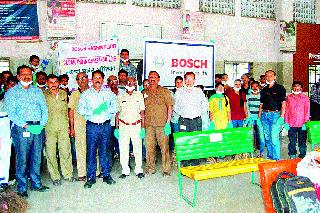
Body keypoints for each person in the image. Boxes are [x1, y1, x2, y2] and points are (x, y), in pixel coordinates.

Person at [4, 65, 49, 197]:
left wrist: (41, 124)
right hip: (21, 129)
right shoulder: (11, 93)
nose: (26, 76)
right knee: (22, 158)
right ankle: (22, 188)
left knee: (37, 157)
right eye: (23, 74)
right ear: (18, 76)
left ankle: (36, 184)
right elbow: (12, 113)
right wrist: (25, 126)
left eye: (29, 74)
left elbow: (44, 109)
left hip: (38, 128)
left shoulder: (37, 91)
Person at [78, 70, 118, 188]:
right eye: (95, 78)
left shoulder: (109, 93)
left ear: (103, 79)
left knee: (105, 151)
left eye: (99, 77)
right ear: (92, 79)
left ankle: (106, 175)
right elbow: (81, 110)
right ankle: (90, 178)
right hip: (92, 127)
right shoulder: (86, 94)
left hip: (105, 126)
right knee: (91, 152)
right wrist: (94, 111)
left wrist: (103, 109)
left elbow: (115, 107)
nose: (97, 80)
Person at [44, 74, 74, 186]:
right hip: (49, 128)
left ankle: (68, 174)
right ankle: (55, 176)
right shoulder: (43, 95)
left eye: (55, 82)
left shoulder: (63, 93)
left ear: (58, 82)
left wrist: (69, 127)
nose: (53, 84)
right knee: (51, 153)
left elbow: (67, 110)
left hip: (63, 127)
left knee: (66, 151)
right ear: (47, 83)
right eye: (50, 82)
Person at [174, 72, 208, 165]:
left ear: (194, 81)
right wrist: (183, 114)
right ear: (184, 80)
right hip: (184, 120)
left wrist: (197, 113)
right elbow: (175, 106)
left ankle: (195, 162)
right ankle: (184, 163)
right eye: (187, 79)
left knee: (195, 140)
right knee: (184, 141)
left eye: (190, 79)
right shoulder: (179, 92)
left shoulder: (199, 91)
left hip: (196, 120)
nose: (188, 81)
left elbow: (205, 105)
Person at [115, 77, 145, 179]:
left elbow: (142, 112)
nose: (130, 83)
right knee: (123, 148)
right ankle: (125, 170)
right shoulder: (120, 96)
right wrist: (116, 128)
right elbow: (117, 113)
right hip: (123, 126)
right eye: (128, 82)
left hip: (136, 125)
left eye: (132, 82)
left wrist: (143, 128)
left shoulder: (139, 95)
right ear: (125, 83)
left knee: (137, 148)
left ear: (135, 83)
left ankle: (139, 170)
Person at [144, 71, 173, 176]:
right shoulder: (144, 92)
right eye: (150, 77)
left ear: (158, 79)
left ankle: (166, 170)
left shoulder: (164, 91)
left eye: (154, 77)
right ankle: (150, 168)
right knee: (149, 147)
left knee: (164, 148)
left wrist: (168, 122)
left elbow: (170, 106)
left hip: (162, 125)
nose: (152, 79)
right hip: (149, 125)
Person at [258, 70, 286, 161]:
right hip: (264, 115)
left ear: (274, 77)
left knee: (274, 138)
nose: (268, 77)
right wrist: (259, 117)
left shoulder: (280, 88)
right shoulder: (264, 90)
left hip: (275, 115)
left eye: (271, 75)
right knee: (268, 138)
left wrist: (282, 116)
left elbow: (283, 103)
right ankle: (270, 157)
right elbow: (261, 104)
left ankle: (276, 158)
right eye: (267, 76)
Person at [68, 72, 89, 181]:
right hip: (79, 125)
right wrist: (72, 128)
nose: (82, 80)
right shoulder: (74, 94)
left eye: (84, 78)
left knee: (94, 148)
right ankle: (82, 173)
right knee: (80, 148)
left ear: (88, 79)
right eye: (79, 79)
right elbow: (71, 111)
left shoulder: (93, 92)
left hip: (92, 124)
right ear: (77, 81)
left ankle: (95, 171)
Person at [284, 81, 310, 159]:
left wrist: (306, 121)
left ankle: (302, 155)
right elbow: (286, 110)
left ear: (301, 88)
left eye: (298, 86)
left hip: (302, 123)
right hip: (291, 123)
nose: (296, 88)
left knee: (302, 141)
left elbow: (307, 110)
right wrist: (286, 121)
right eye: (294, 86)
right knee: (292, 141)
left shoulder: (305, 98)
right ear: (292, 87)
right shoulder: (288, 98)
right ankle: (292, 154)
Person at [0, 76, 17, 188]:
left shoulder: (19, 98)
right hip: (3, 129)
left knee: (12, 153)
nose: (11, 86)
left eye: (14, 85)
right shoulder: (2, 98)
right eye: (9, 84)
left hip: (14, 130)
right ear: (5, 85)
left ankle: (10, 176)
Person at [107, 75, 125, 160]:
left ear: (117, 82)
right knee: (109, 145)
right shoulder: (105, 94)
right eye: (111, 81)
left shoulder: (123, 93)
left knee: (122, 145)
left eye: (115, 80)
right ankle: (109, 165)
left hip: (121, 123)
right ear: (108, 83)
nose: (113, 82)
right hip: (109, 123)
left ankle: (125, 165)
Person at [246, 81, 265, 157]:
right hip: (250, 118)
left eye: (256, 86)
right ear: (251, 87)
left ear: (259, 87)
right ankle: (250, 152)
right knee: (250, 135)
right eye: (253, 86)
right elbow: (246, 107)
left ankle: (261, 152)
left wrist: (259, 117)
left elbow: (263, 107)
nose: (255, 88)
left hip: (259, 118)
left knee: (261, 135)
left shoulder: (262, 96)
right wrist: (249, 116)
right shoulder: (248, 96)